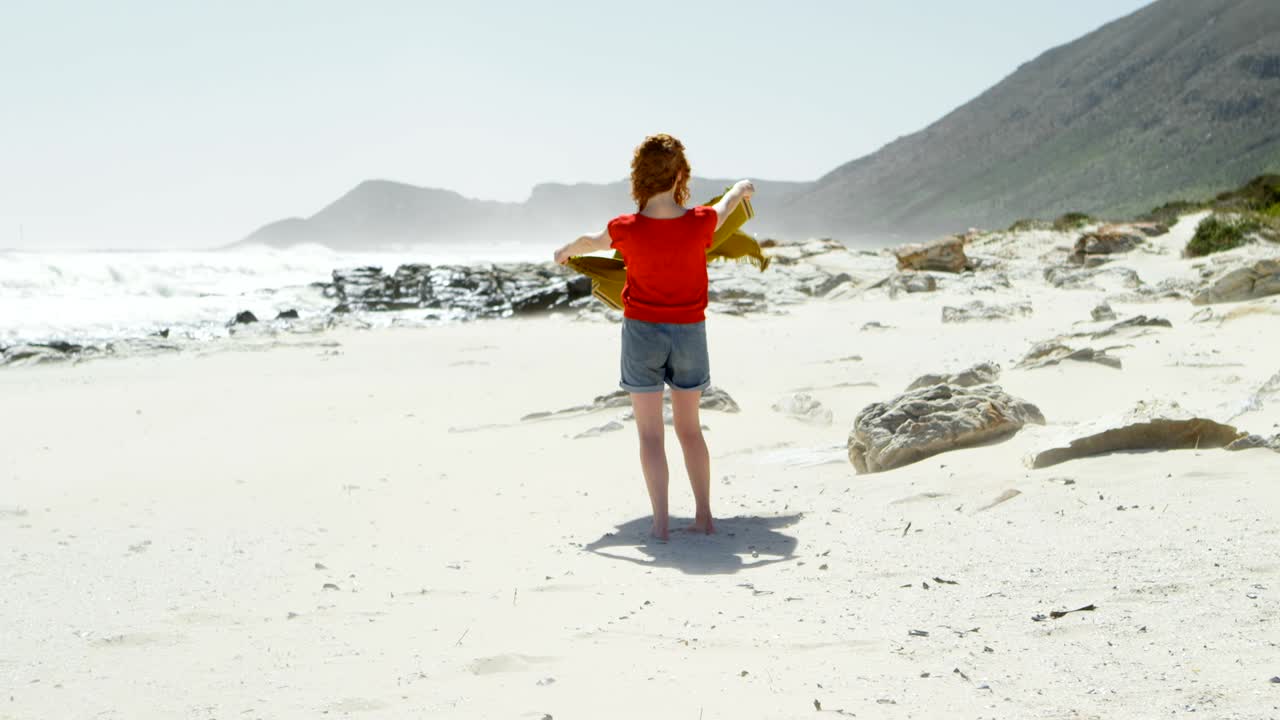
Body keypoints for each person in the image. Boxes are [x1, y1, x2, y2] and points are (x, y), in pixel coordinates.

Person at [554, 133, 754, 540]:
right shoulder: (701, 222)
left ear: (639, 178)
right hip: (690, 335)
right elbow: (726, 204)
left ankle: (660, 524)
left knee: (649, 434)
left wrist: (564, 252)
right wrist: (739, 188)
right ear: (680, 174)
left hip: (642, 334)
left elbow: (589, 242)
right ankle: (703, 516)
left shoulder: (625, 228)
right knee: (690, 429)